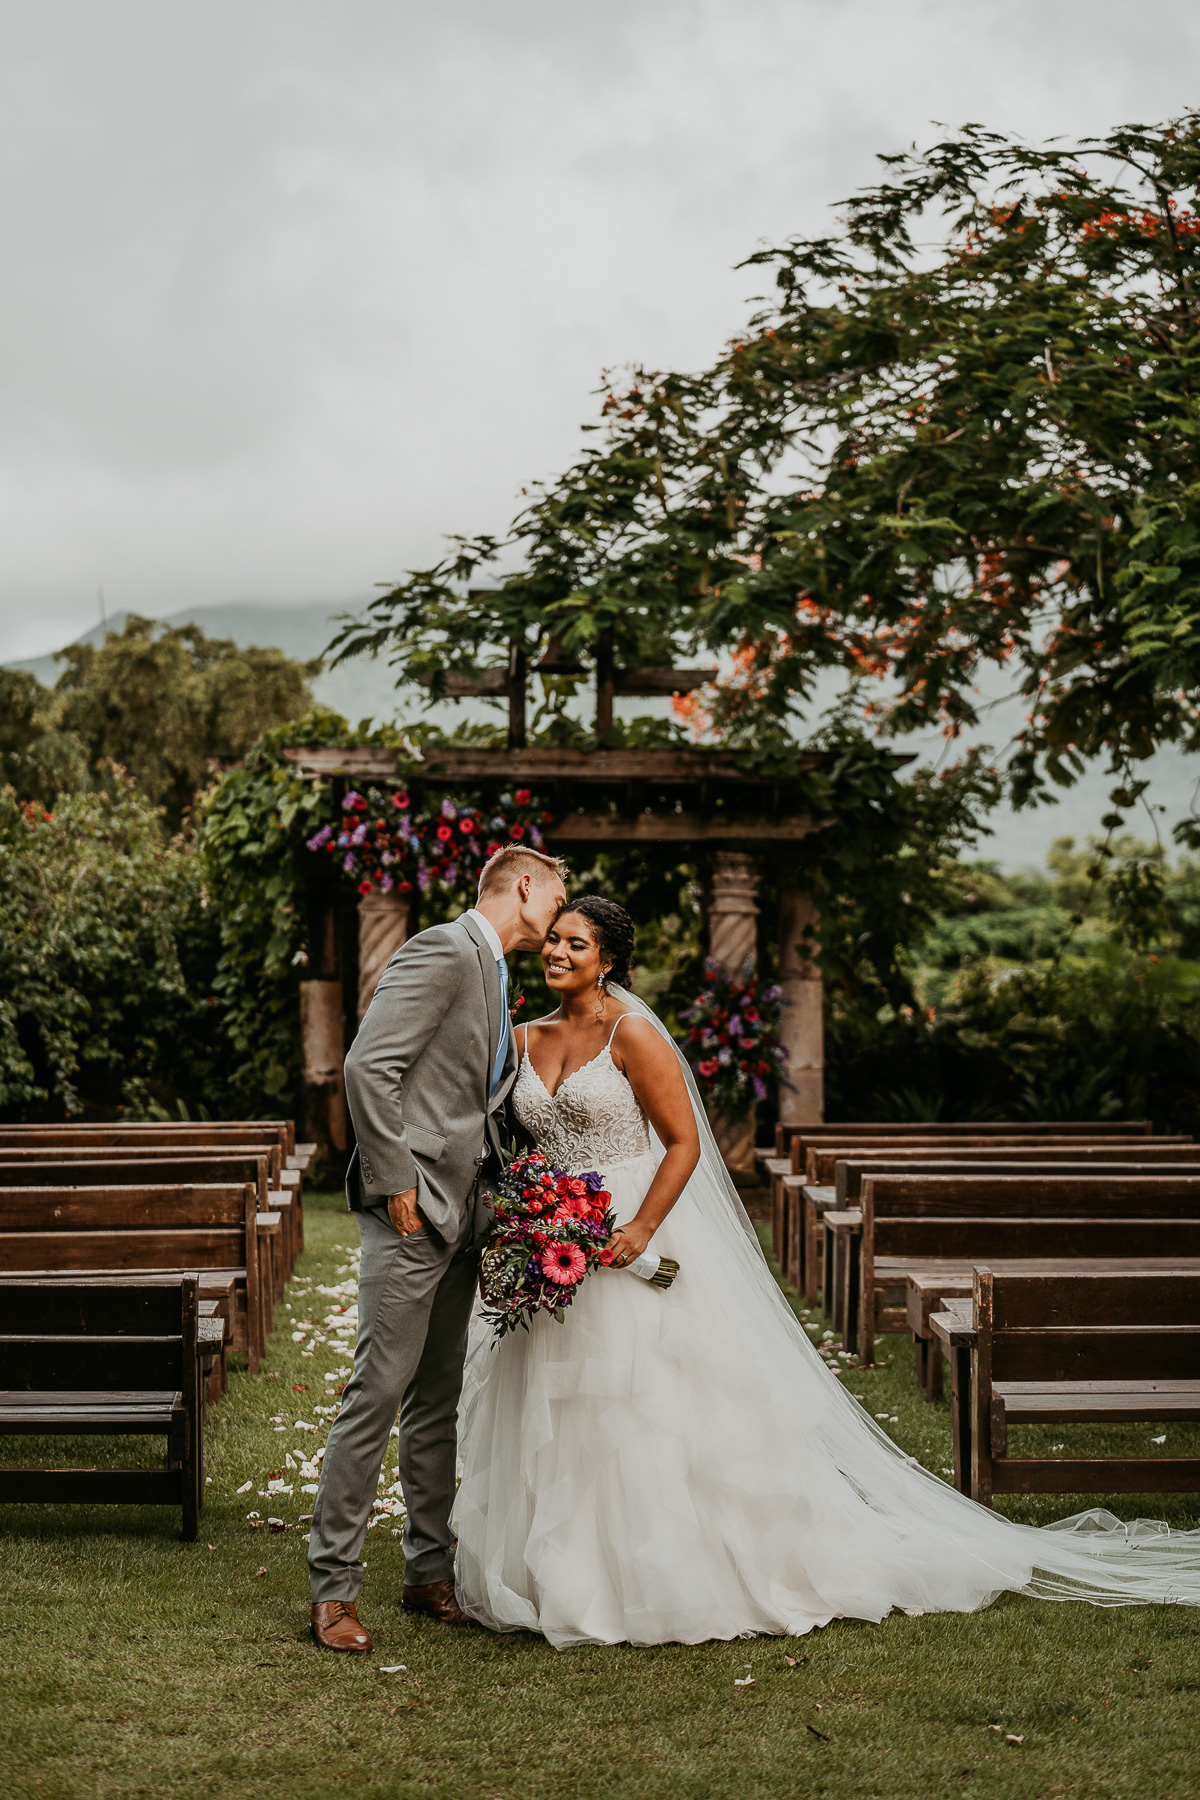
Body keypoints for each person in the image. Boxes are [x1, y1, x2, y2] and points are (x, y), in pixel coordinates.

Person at [453, 895, 1200, 1648]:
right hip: (555, 1234)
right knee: (558, 1401)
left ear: (607, 959)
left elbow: (682, 1142)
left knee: (643, 1399)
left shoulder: (634, 1035)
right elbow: (505, 1137)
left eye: (575, 943)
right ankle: (562, 1571)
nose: (556, 952)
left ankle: (666, 1574)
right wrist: (531, 1213)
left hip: (632, 1231)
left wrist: (640, 1227)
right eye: (551, 940)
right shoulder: (520, 1037)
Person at [307, 843, 567, 1652]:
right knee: (375, 1397)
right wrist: (396, 1185)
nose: (559, 920)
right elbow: (367, 1067)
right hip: (413, 1213)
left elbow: (474, 1098)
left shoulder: (491, 971)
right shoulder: (444, 950)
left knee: (435, 1402)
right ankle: (333, 1591)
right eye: (557, 900)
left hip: (466, 1216)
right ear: (525, 886)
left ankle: (428, 1574)